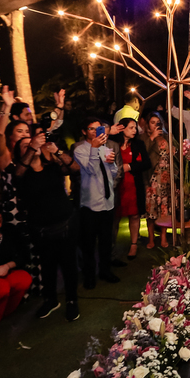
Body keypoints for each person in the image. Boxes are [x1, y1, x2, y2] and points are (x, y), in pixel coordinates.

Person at [13, 134, 81, 321]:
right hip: (41, 228)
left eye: (33, 144)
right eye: (26, 146)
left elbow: (75, 169)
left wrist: (57, 151)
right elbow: (17, 174)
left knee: (68, 265)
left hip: (66, 223)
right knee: (47, 266)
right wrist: (32, 148)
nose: (32, 147)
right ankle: (50, 300)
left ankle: (71, 301)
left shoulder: (52, 166)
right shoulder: (21, 173)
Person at [72, 118, 123, 288]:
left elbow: (113, 173)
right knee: (88, 243)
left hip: (107, 202)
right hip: (90, 204)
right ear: (84, 131)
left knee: (106, 241)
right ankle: (89, 275)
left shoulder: (106, 148)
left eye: (98, 128)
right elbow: (90, 170)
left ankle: (105, 270)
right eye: (91, 128)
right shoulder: (79, 149)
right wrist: (94, 149)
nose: (95, 131)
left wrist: (111, 163)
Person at [111, 118, 150, 260]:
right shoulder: (112, 144)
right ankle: (111, 247)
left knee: (134, 215)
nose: (135, 130)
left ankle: (134, 244)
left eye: (135, 127)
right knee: (115, 216)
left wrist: (130, 166)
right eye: (131, 127)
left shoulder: (138, 144)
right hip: (117, 185)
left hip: (133, 184)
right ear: (122, 129)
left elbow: (146, 163)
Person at [145, 134, 174, 250]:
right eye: (152, 122)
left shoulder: (169, 137)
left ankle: (163, 237)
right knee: (151, 210)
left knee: (164, 210)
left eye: (158, 122)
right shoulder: (146, 139)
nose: (156, 125)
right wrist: (151, 138)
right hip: (153, 179)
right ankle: (151, 238)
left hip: (166, 179)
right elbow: (144, 156)